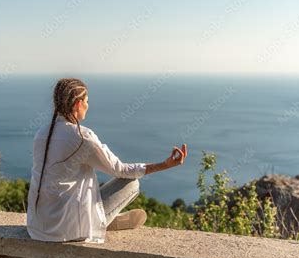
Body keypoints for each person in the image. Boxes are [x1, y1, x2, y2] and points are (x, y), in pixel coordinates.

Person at [26, 77, 188, 244]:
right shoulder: (82, 137)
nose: (88, 106)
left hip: (37, 228)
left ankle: (104, 219)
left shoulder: (41, 134)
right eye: (87, 102)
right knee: (131, 183)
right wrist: (165, 164)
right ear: (78, 105)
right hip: (67, 230)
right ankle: (102, 221)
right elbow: (121, 171)